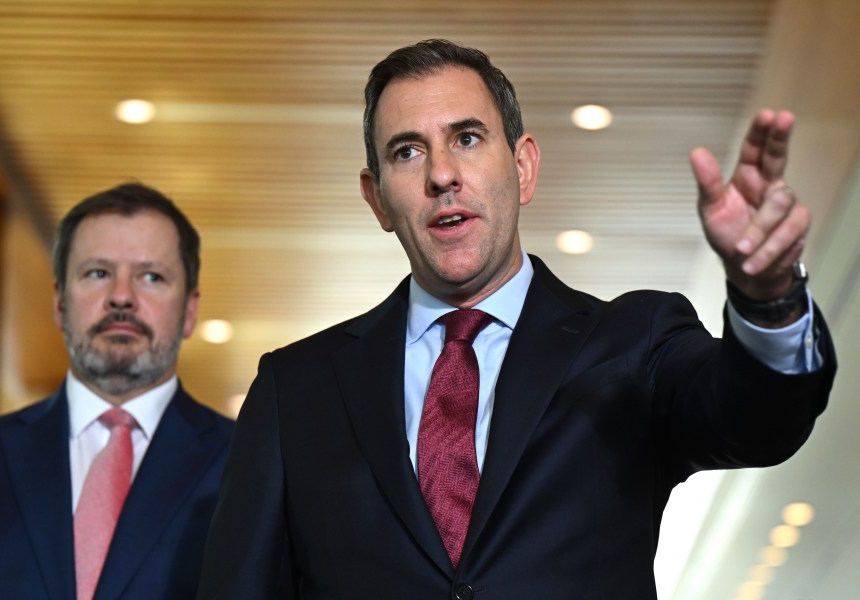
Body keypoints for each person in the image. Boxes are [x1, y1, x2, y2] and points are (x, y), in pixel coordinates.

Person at [197, 40, 837, 599]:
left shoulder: (631, 343)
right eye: (407, 152)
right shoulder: (295, 388)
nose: (442, 175)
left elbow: (759, 421)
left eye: (466, 139)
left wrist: (768, 295)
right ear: (378, 199)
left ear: (523, 166)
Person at [0, 183, 234, 599]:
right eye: (98, 273)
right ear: (59, 303)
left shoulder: (248, 464)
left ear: (190, 311)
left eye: (151, 276)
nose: (121, 297)